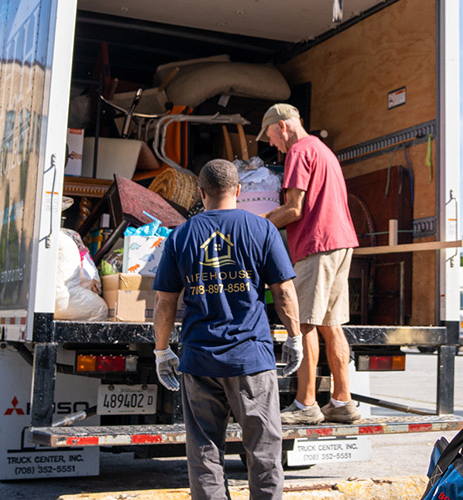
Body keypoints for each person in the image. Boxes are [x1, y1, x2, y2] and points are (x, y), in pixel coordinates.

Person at [152, 159, 304, 500]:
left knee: (204, 451)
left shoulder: (181, 235)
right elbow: (283, 292)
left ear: (201, 193)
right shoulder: (262, 229)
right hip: (251, 359)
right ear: (239, 191)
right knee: (263, 449)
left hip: (199, 359)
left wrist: (162, 351)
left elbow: (165, 303)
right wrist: (295, 338)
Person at [258, 103, 361, 424]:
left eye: (271, 136)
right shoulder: (323, 150)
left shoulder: (299, 152)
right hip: (341, 242)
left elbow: (294, 208)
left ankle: (306, 406)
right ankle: (342, 402)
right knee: (331, 324)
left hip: (317, 244)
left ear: (283, 127)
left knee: (302, 324)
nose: (272, 144)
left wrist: (258, 224)